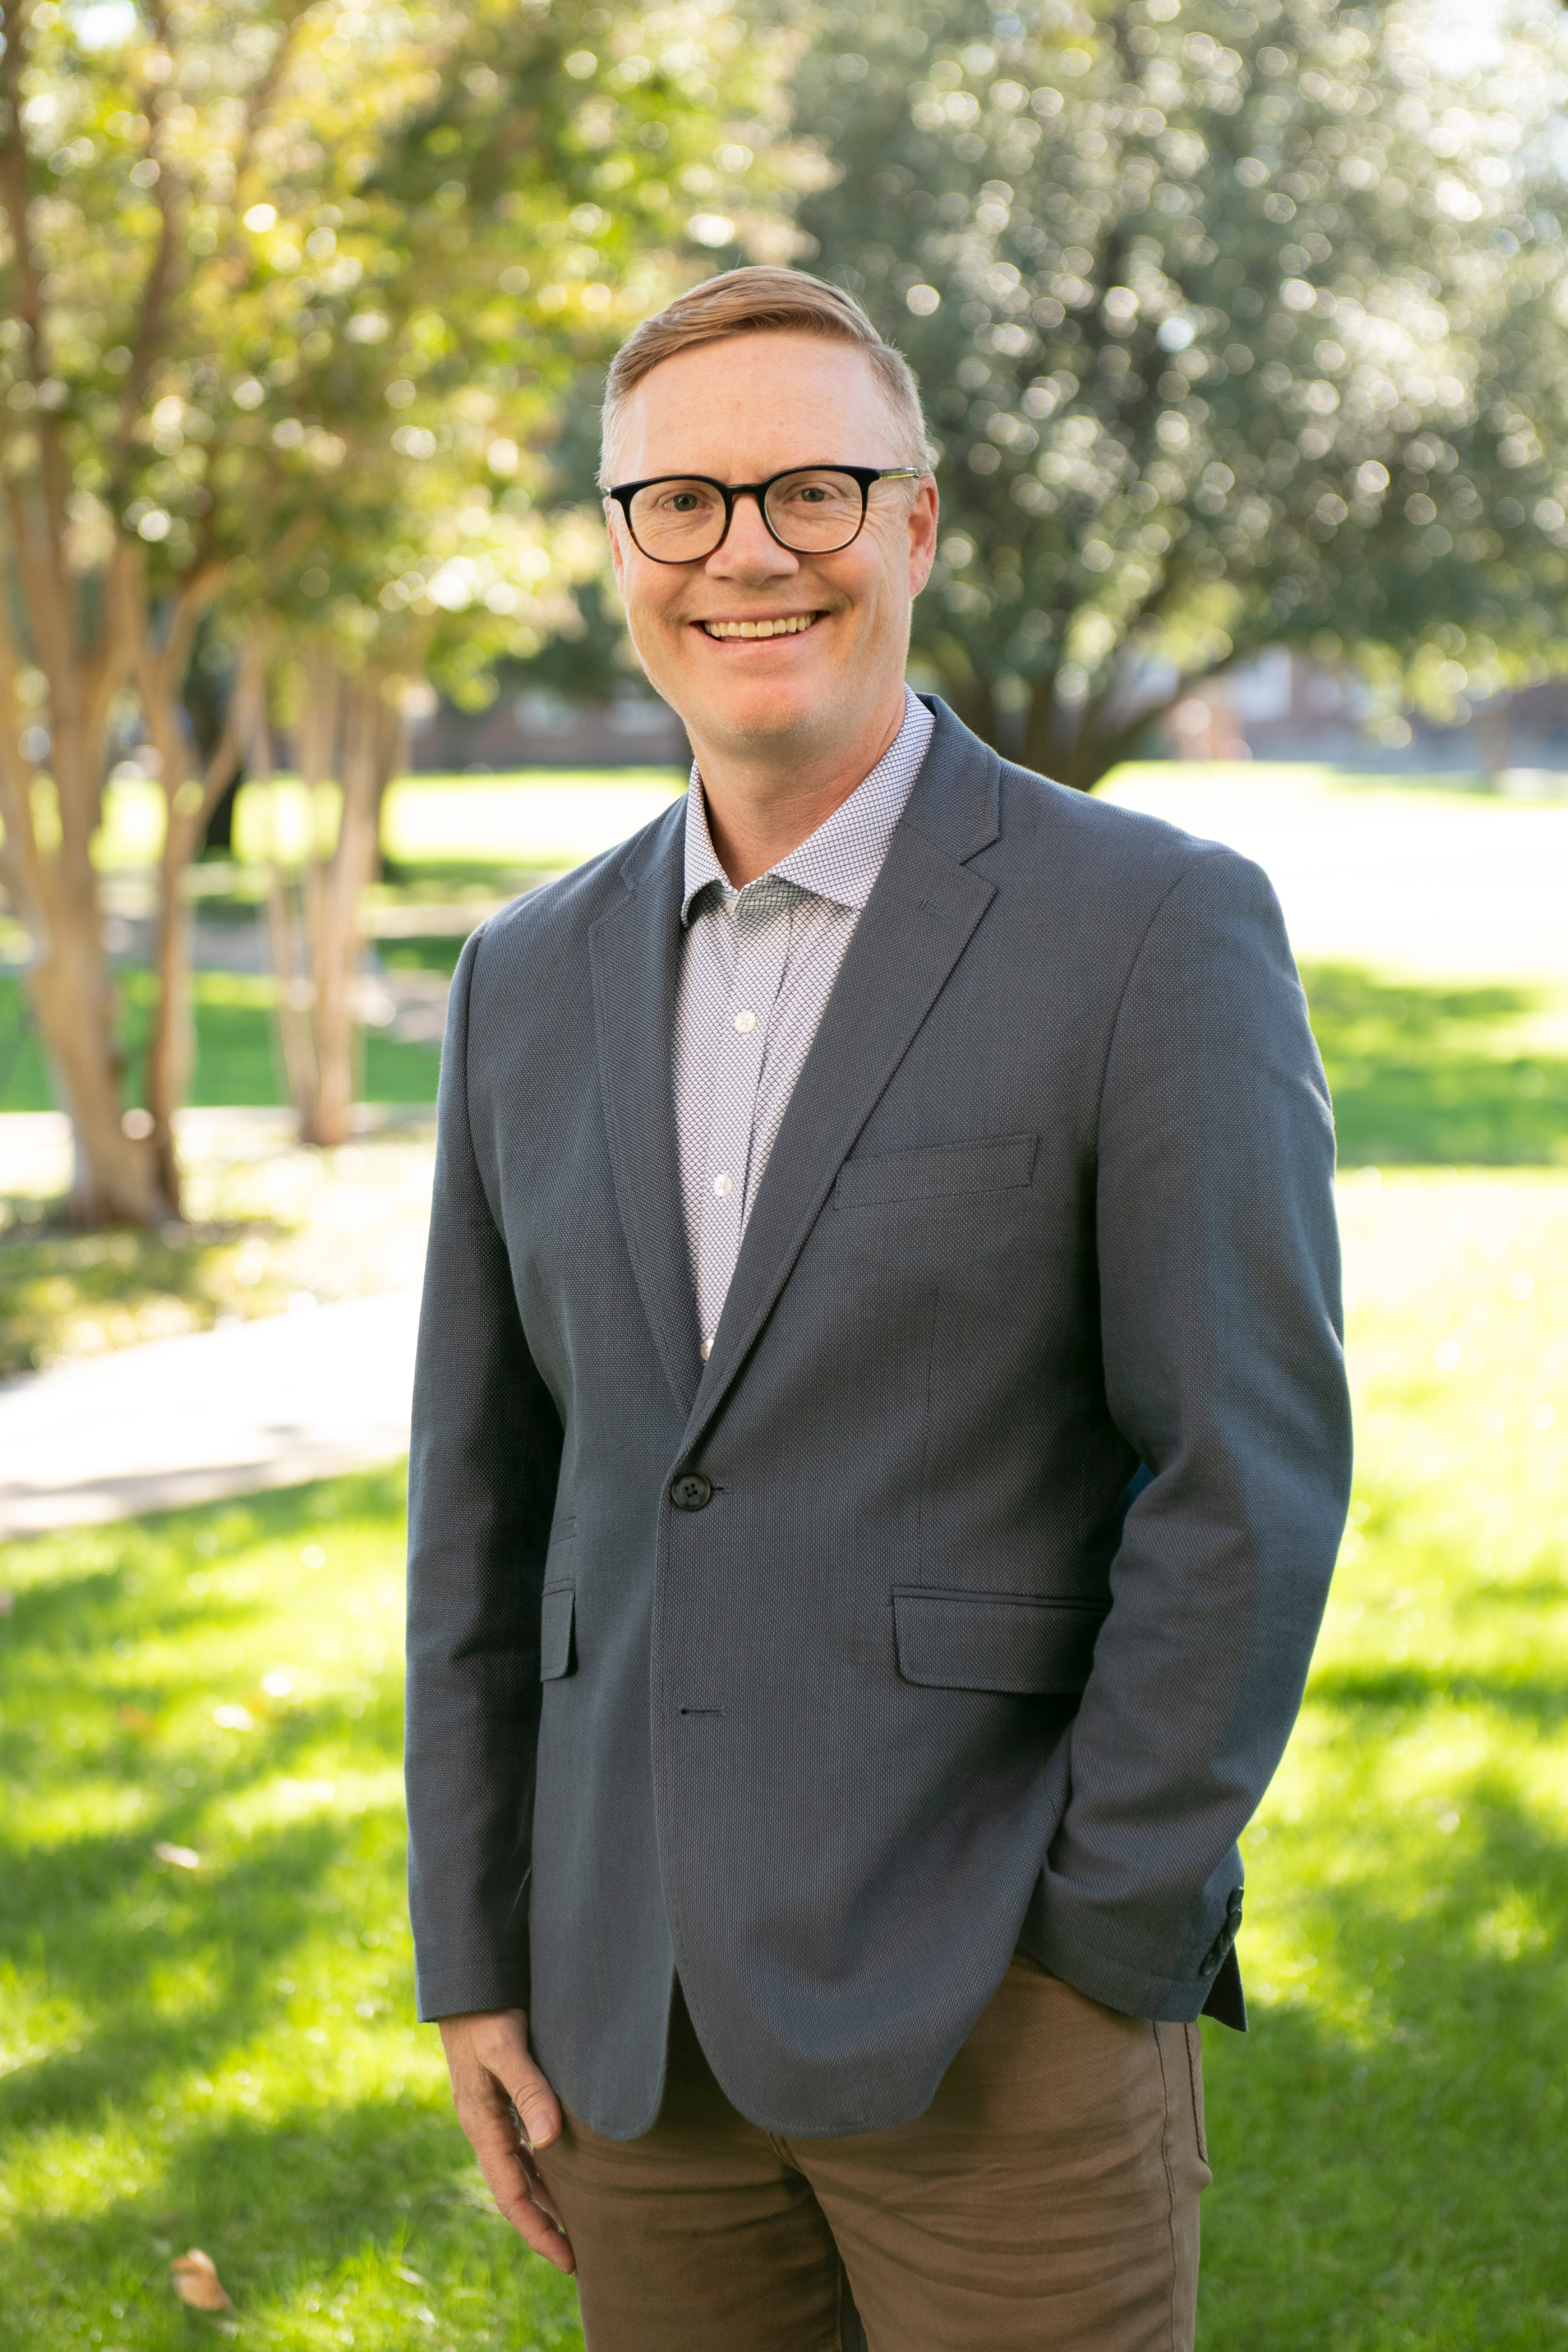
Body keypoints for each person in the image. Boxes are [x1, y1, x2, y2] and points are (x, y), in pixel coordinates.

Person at [405, 266, 1352, 2352]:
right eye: (680, 502)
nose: (746, 552)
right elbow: (484, 1511)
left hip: (1001, 2020)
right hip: (626, 2035)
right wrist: (475, 1957)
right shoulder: (521, 981)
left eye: (812, 492)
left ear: (914, 527)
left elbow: (1249, 1479)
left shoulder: (1155, 930)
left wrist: (1102, 1940)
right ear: (622, 553)